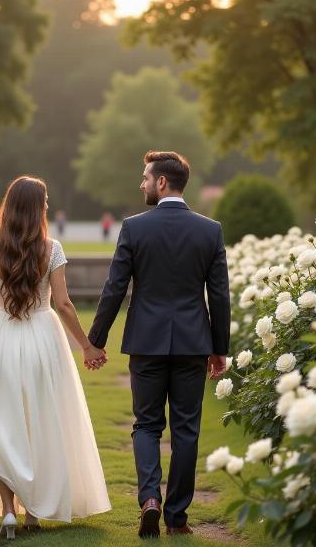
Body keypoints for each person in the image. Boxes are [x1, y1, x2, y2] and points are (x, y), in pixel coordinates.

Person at [0, 176, 110, 539]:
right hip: (42, 338)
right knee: (40, 421)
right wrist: (86, 345)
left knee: (4, 424)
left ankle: (8, 512)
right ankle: (33, 511)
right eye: (46, 202)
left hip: (0, 336)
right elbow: (64, 304)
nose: (48, 207)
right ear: (37, 208)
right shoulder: (51, 249)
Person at [88, 151, 231, 538]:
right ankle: (177, 517)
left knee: (147, 425)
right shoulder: (210, 230)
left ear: (162, 182)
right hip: (192, 343)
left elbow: (114, 288)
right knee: (186, 430)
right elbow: (219, 296)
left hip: (146, 343)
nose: (142, 184)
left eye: (145, 177)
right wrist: (220, 348)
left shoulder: (134, 228)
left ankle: (149, 498)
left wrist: (95, 341)